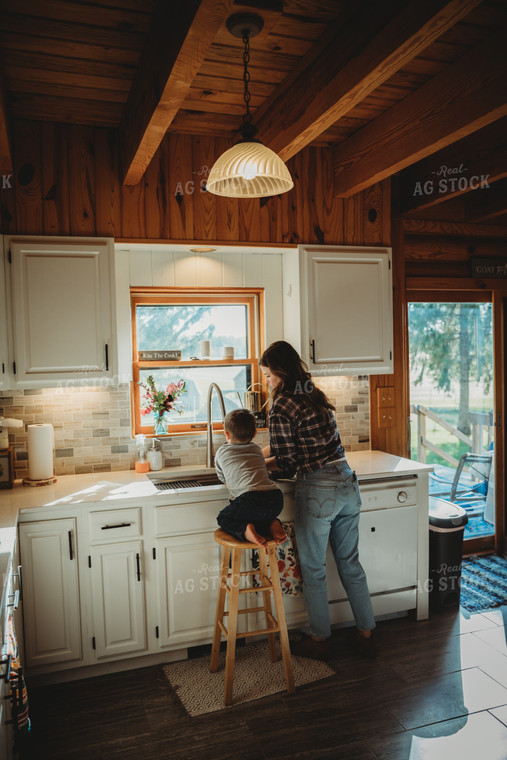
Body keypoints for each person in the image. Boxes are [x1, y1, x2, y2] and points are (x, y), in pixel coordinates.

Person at [259, 340, 376, 661]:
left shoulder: (282, 404)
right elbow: (291, 444)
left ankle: (320, 639)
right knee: (350, 563)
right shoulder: (312, 392)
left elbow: (286, 459)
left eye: (268, 376)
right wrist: (258, 454)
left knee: (313, 569)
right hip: (347, 483)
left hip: (319, 490)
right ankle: (366, 633)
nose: (267, 382)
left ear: (279, 373)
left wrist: (252, 464)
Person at [215, 408, 286, 547]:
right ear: (254, 434)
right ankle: (272, 523)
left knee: (223, 518)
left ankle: (245, 530)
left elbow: (222, 477)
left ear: (226, 434)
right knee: (256, 516)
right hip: (276, 499)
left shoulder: (221, 452)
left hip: (249, 500)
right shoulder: (256, 449)